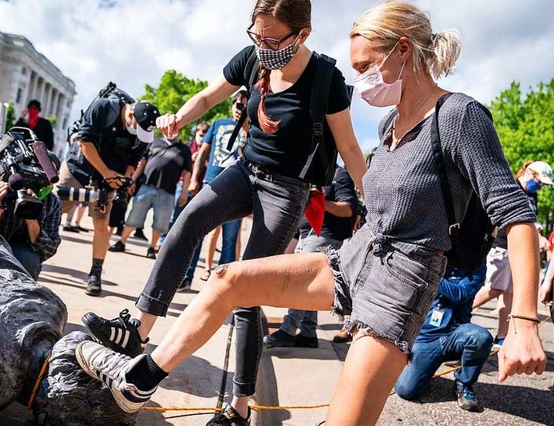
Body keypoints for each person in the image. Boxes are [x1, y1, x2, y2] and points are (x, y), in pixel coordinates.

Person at [75, 2, 547, 425]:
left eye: (366, 67)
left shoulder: (459, 116)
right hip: (351, 262)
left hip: (398, 286)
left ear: (403, 51)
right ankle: (136, 381)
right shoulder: (388, 124)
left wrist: (524, 322)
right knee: (228, 279)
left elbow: (516, 215)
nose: (359, 79)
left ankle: (236, 402)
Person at [79, 0, 365, 423]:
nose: (263, 47)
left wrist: (374, 201)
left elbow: (350, 147)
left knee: (247, 290)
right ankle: (137, 329)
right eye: (256, 35)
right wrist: (179, 116)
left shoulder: (326, 78)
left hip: (288, 189)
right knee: (189, 220)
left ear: (302, 35)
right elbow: (210, 96)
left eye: (272, 39)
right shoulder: (253, 57)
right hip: (246, 169)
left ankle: (239, 408)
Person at [58, 95, 160, 297]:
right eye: (137, 128)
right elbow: (84, 142)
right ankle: (33, 255)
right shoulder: (103, 108)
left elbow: (135, 159)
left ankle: (95, 273)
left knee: (101, 226)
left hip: (108, 180)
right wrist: (106, 172)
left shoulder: (143, 130)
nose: (139, 134)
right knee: (50, 212)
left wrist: (124, 177)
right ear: (130, 113)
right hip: (78, 170)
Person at [264, 166, 357, 349]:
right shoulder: (309, 174)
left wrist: (322, 202)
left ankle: (288, 330)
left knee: (302, 282)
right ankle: (308, 334)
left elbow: (347, 209)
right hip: (305, 234)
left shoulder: (339, 174)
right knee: (311, 287)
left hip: (325, 235)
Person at [473, 160, 553, 346]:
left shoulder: (531, 196)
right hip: (501, 245)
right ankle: (460, 313)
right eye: (539, 182)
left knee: (508, 293)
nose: (539, 187)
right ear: (530, 174)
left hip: (514, 249)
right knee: (495, 288)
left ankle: (502, 336)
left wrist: (537, 236)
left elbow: (532, 221)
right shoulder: (512, 188)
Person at [395, 265, 493, 412]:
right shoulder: (434, 256)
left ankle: (464, 383)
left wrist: (430, 275)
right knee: (406, 391)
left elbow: (460, 294)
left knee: (480, 337)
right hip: (427, 338)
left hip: (456, 334)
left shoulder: (476, 266)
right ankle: (420, 369)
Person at [0, 157, 62, 280]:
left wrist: (30, 213)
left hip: (22, 254)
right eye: (38, 168)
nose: (41, 175)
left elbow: (48, 249)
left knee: (27, 258)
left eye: (49, 172)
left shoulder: (52, 202)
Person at [193, 91, 250, 282]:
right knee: (200, 229)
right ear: (232, 105)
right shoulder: (218, 124)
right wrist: (195, 179)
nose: (239, 109)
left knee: (231, 238)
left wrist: (247, 126)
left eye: (244, 106)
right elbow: (202, 153)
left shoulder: (253, 130)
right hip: (212, 182)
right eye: (237, 105)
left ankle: (224, 281)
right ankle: (190, 274)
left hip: (238, 187)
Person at [108, 134, 192, 259]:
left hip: (168, 191)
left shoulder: (184, 149)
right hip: (146, 186)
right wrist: (133, 180)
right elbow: (142, 163)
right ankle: (122, 242)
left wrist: (184, 192)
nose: (171, 131)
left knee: (160, 222)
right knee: (134, 216)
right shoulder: (154, 142)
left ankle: (152, 247)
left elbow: (187, 173)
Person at [157, 121, 210, 291]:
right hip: (184, 188)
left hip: (205, 189)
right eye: (200, 131)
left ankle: (187, 276)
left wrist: (204, 162)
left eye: (205, 132)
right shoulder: (188, 147)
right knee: (174, 222)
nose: (202, 134)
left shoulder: (210, 150)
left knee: (197, 232)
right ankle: (164, 250)